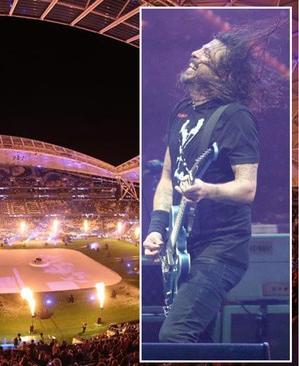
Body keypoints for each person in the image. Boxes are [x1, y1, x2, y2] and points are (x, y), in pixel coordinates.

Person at [142, 15, 287, 344]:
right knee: (198, 339)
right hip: (184, 248)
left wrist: (208, 189)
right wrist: (156, 228)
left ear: (222, 75)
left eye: (206, 56)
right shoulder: (181, 110)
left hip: (221, 251)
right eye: (200, 49)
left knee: (175, 336)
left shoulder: (236, 117)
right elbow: (167, 177)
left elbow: (247, 187)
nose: (195, 53)